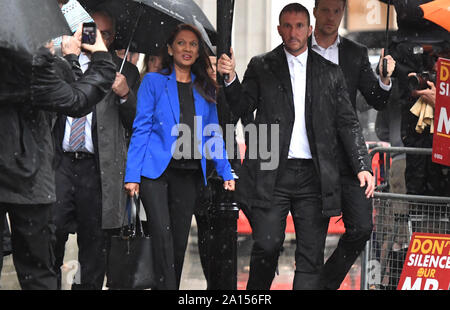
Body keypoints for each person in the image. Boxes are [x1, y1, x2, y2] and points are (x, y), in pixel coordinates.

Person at [217, 3, 374, 290]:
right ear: (279, 30)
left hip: (314, 176)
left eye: (299, 26)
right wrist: (229, 78)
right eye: (287, 26)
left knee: (310, 257)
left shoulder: (331, 72)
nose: (293, 32)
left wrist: (362, 166)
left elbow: (348, 123)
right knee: (266, 244)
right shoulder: (261, 65)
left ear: (310, 29)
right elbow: (242, 107)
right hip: (273, 173)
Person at [0, 19, 115, 289]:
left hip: (24, 173)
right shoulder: (30, 67)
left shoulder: (25, 63)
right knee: (38, 272)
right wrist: (99, 53)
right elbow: (76, 99)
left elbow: (59, 91)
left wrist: (65, 59)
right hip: (27, 178)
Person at [124, 24, 235, 290]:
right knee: (162, 237)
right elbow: (142, 129)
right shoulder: (153, 81)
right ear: (171, 48)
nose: (187, 49)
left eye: (193, 44)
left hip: (189, 176)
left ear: (198, 52)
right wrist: (132, 176)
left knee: (177, 246)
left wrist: (225, 170)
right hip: (156, 174)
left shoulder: (205, 88)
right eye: (182, 43)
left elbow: (212, 135)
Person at [51, 6, 140, 290]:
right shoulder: (63, 62)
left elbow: (136, 122)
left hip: (97, 169)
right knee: (50, 234)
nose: (96, 37)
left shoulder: (125, 71)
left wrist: (125, 93)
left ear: (112, 39)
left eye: (105, 34)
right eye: (91, 30)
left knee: (94, 245)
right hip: (59, 163)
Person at [310, 0, 396, 290]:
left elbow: (377, 99)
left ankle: (323, 285)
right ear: (315, 10)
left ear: (343, 13)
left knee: (361, 227)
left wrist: (384, 78)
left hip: (348, 153)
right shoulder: (298, 48)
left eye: (337, 11)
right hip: (308, 155)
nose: (331, 17)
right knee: (312, 235)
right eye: (326, 10)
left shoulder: (354, 53)